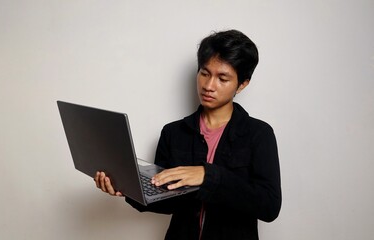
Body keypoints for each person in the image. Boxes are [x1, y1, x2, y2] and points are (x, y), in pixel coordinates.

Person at [94, 29, 282, 240]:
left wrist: (208, 176)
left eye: (222, 78)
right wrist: (126, 187)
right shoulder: (173, 132)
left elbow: (269, 206)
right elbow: (166, 202)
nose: (209, 86)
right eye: (204, 73)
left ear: (242, 84)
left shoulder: (259, 134)